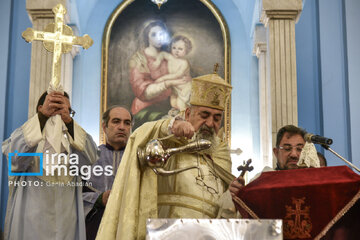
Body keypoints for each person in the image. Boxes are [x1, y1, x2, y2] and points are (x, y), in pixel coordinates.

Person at [96, 71, 235, 240]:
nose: (210, 123)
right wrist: (173, 126)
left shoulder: (221, 156)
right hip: (167, 232)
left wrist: (234, 194)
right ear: (188, 113)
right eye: (204, 115)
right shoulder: (170, 139)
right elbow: (142, 136)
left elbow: (223, 207)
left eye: (217, 118)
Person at [2, 91, 97, 240]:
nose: (61, 113)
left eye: (66, 110)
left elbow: (90, 158)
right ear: (41, 108)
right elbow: (16, 159)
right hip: (30, 228)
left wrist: (70, 123)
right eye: (55, 107)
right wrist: (42, 118)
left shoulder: (72, 146)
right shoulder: (28, 142)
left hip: (67, 227)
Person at [83, 106, 133, 240]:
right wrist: (99, 199)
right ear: (104, 127)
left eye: (127, 123)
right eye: (116, 121)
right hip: (96, 225)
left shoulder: (137, 159)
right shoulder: (89, 158)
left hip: (129, 225)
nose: (122, 127)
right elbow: (74, 196)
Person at [129, 20, 188, 128]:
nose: (158, 37)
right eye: (154, 34)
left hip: (169, 106)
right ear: (147, 37)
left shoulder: (169, 56)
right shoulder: (139, 59)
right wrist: (168, 83)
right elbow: (141, 91)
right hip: (146, 108)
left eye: (161, 34)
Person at [229, 125, 306, 198]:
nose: (294, 154)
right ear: (276, 152)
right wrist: (240, 195)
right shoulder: (260, 182)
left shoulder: (314, 183)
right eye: (287, 148)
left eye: (299, 149)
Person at [152, 35, 193, 112]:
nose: (176, 51)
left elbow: (177, 75)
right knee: (173, 103)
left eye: (180, 49)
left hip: (184, 87)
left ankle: (184, 117)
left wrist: (162, 78)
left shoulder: (184, 63)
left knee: (181, 103)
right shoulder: (170, 57)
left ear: (186, 51)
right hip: (175, 87)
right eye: (174, 48)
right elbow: (162, 54)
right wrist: (158, 61)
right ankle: (182, 112)